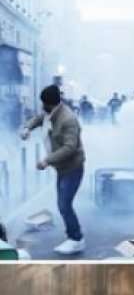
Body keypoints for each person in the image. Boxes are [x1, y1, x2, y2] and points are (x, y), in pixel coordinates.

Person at [20, 85, 86, 255]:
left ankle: (77, 239)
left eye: (44, 103)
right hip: (62, 169)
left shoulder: (68, 119)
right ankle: (74, 237)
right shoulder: (52, 112)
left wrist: (46, 161)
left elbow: (70, 147)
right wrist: (27, 128)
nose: (42, 106)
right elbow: (39, 118)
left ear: (51, 103)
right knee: (62, 204)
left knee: (64, 204)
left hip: (73, 168)